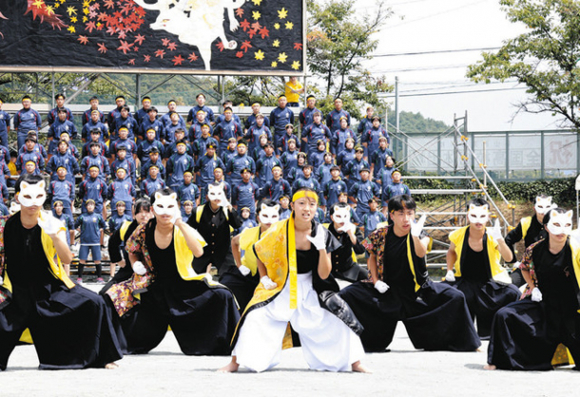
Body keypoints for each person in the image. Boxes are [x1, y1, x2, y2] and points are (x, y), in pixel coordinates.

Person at [219, 187, 368, 373]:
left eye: (312, 204)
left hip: (312, 287)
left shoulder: (322, 232)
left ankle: (355, 362)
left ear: (317, 208)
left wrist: (321, 248)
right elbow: (260, 251)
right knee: (253, 316)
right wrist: (264, 278)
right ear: (292, 206)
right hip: (281, 285)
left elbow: (324, 274)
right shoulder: (278, 229)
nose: (307, 208)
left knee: (339, 316)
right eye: (302, 203)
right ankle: (235, 362)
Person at [0, 175, 122, 370]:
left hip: (49, 288)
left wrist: (55, 236)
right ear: (17, 197)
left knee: (95, 302)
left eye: (38, 196)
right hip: (15, 292)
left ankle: (103, 358)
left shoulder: (52, 223)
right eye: (27, 196)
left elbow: (66, 259)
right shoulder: (4, 226)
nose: (33, 202)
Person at [106, 188, 240, 355]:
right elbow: (132, 250)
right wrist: (134, 265)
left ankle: (231, 343)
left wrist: (181, 224)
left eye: (170, 207)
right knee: (110, 295)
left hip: (183, 286)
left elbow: (199, 251)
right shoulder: (143, 229)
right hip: (153, 288)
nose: (165, 212)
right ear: (153, 209)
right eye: (160, 207)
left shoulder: (182, 229)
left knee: (223, 295)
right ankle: (107, 342)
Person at [340, 195, 481, 353]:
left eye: (410, 213)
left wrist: (415, 236)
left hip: (417, 290)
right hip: (386, 290)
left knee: (456, 296)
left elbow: (421, 252)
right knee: (347, 294)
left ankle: (468, 343)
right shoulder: (381, 234)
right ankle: (346, 342)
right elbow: (371, 257)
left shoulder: (421, 233)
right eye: (400, 214)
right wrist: (376, 281)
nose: (406, 218)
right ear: (392, 215)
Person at [486, 208, 580, 371]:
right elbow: (524, 267)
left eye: (566, 225)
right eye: (556, 224)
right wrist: (532, 287)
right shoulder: (534, 249)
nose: (562, 230)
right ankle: (498, 360)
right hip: (542, 301)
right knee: (504, 315)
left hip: (570, 306)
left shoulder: (576, 249)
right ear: (546, 227)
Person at [444, 198, 520, 338]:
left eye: (482, 216)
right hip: (465, 280)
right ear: (468, 216)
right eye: (473, 215)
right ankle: (455, 334)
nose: (478, 220)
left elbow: (509, 258)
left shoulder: (492, 236)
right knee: (442, 293)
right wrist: (449, 270)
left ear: (488, 217)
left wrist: (500, 240)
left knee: (513, 293)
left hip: (490, 282)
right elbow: (451, 251)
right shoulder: (458, 234)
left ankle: (504, 332)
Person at [230, 199, 280, 312]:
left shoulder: (283, 235)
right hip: (248, 274)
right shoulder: (249, 233)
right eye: (265, 215)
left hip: (273, 278)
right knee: (227, 286)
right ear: (258, 217)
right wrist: (239, 265)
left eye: (273, 216)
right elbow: (234, 242)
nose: (269, 220)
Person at [102, 199, 153, 296]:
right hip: (129, 270)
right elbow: (112, 242)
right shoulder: (126, 227)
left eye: (146, 211)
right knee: (104, 293)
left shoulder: (158, 228)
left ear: (152, 212)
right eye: (140, 212)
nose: (143, 215)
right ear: (134, 214)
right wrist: (118, 260)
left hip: (151, 272)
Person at [504, 195, 555, 286]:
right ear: (534, 208)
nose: (543, 211)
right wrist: (514, 262)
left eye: (547, 207)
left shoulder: (557, 224)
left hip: (552, 267)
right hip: (528, 268)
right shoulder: (526, 223)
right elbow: (508, 240)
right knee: (509, 285)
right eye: (540, 207)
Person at [327, 203, 368, 282]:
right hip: (330, 271)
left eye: (345, 216)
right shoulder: (325, 231)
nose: (342, 220)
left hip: (349, 269)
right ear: (332, 217)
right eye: (338, 216)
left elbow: (361, 250)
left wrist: (350, 233)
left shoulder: (354, 229)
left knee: (371, 278)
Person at [76, 199, 108, 284]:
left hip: (95, 241)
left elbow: (104, 226)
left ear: (94, 206)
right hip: (84, 242)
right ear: (86, 206)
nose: (90, 206)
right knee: (82, 260)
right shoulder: (82, 216)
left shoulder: (98, 216)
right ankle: (79, 278)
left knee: (97, 260)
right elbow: (75, 225)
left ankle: (99, 278)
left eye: (92, 205)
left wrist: (98, 231)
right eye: (88, 205)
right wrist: (81, 231)